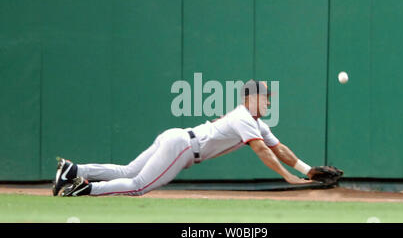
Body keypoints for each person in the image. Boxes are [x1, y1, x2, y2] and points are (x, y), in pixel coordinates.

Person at [53, 80, 317, 197]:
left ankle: (73, 170)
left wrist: (308, 171)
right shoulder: (245, 118)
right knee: (138, 185)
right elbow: (261, 151)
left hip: (178, 137)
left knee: (128, 170)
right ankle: (85, 187)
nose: (269, 101)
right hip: (184, 147)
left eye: (269, 97)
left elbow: (278, 148)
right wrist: (286, 176)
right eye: (265, 96)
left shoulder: (255, 122)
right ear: (250, 98)